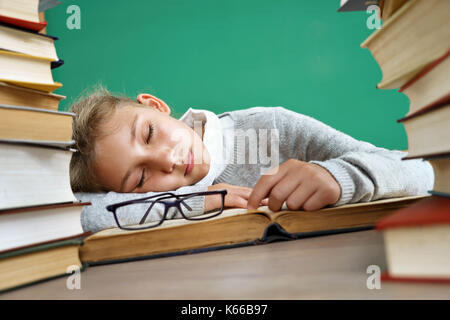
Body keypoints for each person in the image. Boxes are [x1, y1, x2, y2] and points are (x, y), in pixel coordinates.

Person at [71, 86, 434, 233]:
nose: (166, 161)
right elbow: (80, 212)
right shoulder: (141, 200)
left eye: (149, 133)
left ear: (155, 106)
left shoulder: (270, 128)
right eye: (139, 179)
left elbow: (422, 168)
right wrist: (198, 200)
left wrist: (337, 177)